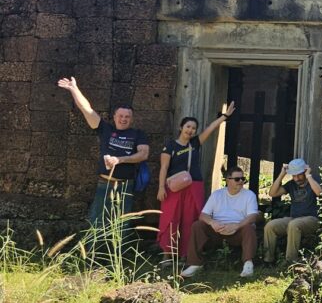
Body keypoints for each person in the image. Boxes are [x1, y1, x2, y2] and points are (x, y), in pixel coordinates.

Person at [57, 76, 150, 262]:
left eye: (127, 117)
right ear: (114, 117)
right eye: (120, 116)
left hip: (125, 186)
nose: (123, 119)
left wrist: (119, 159)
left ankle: (118, 258)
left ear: (131, 119)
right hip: (104, 184)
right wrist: (74, 88)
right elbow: (87, 109)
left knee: (123, 222)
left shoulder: (138, 134)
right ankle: (90, 257)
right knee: (95, 220)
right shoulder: (105, 129)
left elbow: (143, 154)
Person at [156, 104, 235, 265]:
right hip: (174, 187)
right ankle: (167, 254)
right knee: (170, 218)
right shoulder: (170, 146)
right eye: (188, 126)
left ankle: (186, 254)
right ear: (181, 127)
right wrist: (160, 187)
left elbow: (211, 128)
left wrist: (224, 116)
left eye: (193, 128)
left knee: (191, 219)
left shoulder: (195, 143)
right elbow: (164, 167)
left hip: (194, 185)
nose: (190, 130)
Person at [181, 167, 261, 278]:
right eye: (237, 179)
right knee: (197, 225)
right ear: (228, 180)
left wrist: (237, 225)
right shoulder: (217, 195)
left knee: (249, 228)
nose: (241, 181)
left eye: (243, 178)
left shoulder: (249, 195)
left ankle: (248, 264)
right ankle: (195, 264)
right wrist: (212, 223)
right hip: (217, 231)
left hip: (237, 231)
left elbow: (253, 216)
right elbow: (203, 215)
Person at [263, 157, 322, 265]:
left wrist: (309, 176)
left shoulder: (313, 181)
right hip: (294, 218)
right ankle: (268, 260)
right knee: (270, 226)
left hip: (312, 219)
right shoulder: (291, 184)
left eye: (299, 174)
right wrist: (282, 174)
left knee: (293, 224)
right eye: (294, 175)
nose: (296, 178)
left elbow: (319, 193)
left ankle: (290, 262)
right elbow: (272, 193)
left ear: (305, 171)